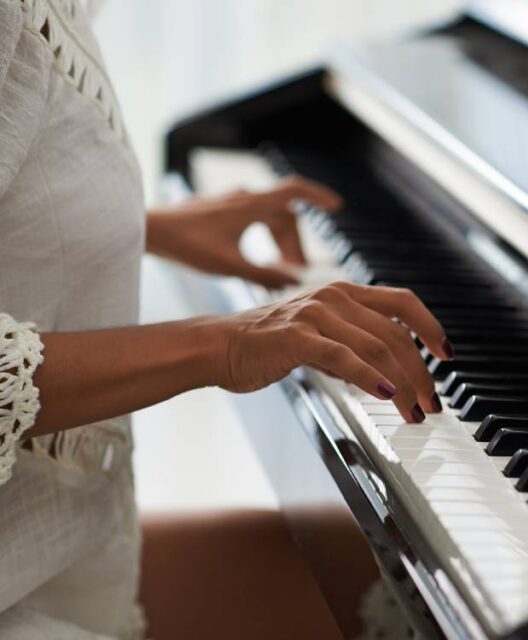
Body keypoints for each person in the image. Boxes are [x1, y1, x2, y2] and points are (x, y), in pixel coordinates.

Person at [0, 0, 450, 637]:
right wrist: (227, 344)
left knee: (385, 589)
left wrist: (132, 228)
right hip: (21, 584)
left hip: (73, 552)